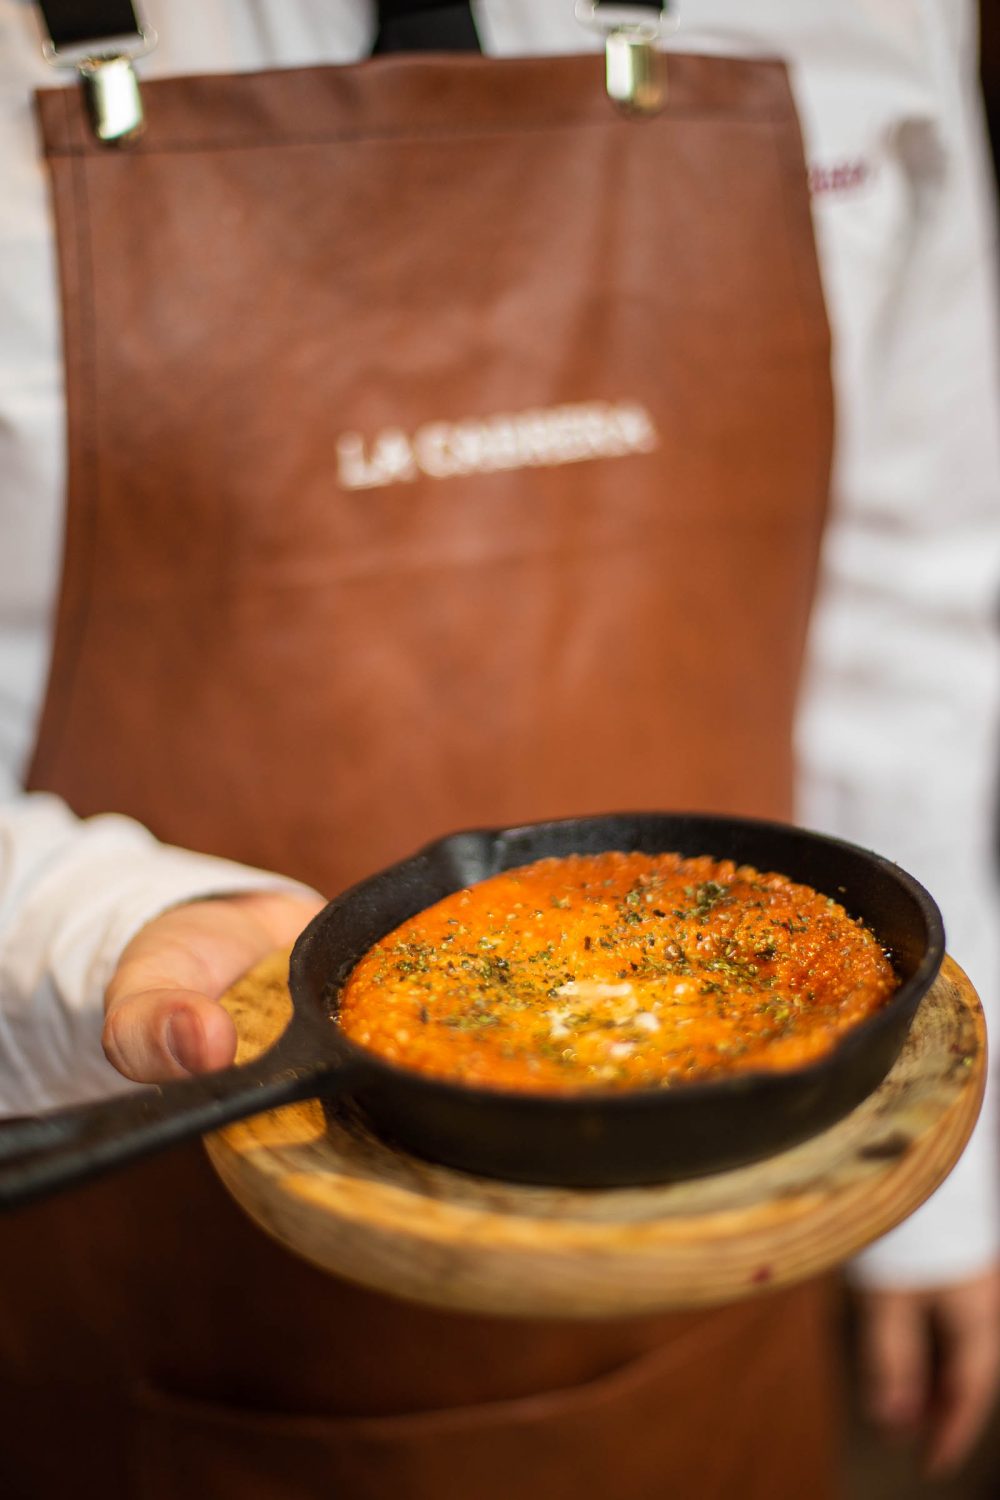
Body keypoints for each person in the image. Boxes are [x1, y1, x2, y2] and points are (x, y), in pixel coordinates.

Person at [0, 1, 998, 1495]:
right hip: (145, 1263)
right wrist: (89, 929)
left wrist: (946, 1195)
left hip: (737, 1232)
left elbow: (912, 598)